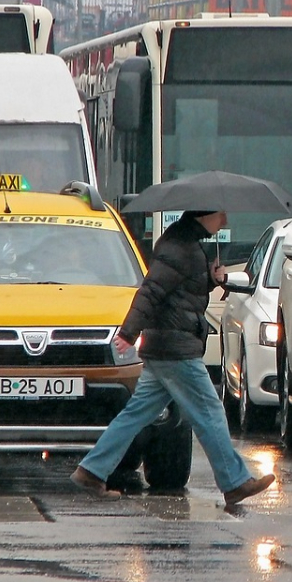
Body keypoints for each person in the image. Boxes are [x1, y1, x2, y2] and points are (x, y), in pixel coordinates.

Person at [70, 210, 276, 506]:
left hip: (166, 345)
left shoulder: (185, 245)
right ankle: (234, 482)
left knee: (136, 415)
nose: (226, 222)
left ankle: (91, 471)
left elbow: (179, 291)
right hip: (175, 348)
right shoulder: (180, 248)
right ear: (205, 215)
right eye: (221, 215)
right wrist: (128, 332)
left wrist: (211, 279)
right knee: (210, 413)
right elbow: (151, 292)